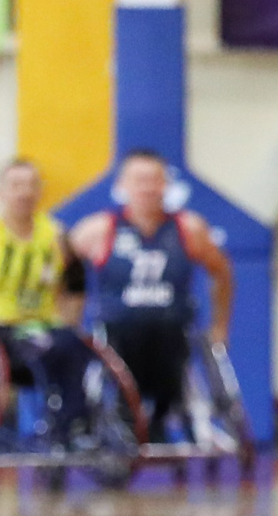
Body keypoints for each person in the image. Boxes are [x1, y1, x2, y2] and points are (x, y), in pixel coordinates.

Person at [69, 149, 232, 439]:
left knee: (174, 344)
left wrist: (220, 325)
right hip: (118, 334)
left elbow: (221, 273)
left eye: (154, 180)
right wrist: (70, 320)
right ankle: (121, 417)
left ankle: (163, 415)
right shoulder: (97, 229)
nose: (147, 187)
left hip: (172, 334)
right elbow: (65, 272)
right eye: (139, 180)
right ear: (121, 186)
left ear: (166, 185)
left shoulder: (189, 228)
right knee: (115, 349)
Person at [0, 158, 92, 443]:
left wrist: (68, 323)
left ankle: (71, 426)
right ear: (1, 192)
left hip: (38, 330)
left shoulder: (56, 236)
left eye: (31, 185)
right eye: (16, 185)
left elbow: (75, 283)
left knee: (72, 344)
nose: (25, 192)